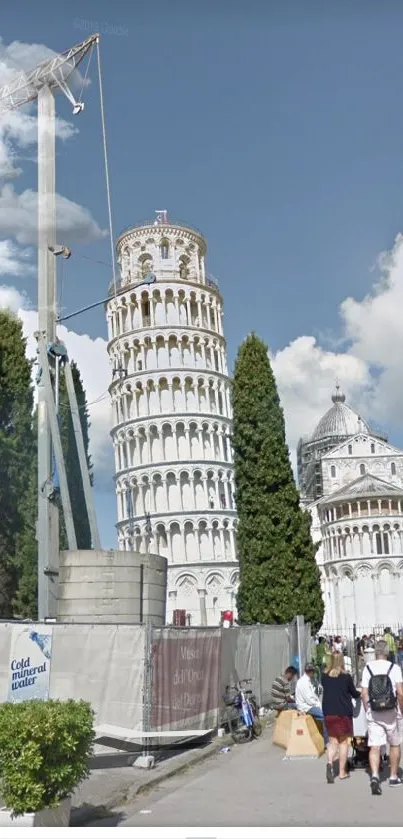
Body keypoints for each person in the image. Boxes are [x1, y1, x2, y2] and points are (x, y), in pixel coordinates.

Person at [361, 639, 403, 795]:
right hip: (392, 711)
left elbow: (364, 693)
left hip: (374, 711)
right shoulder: (395, 668)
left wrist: (368, 709)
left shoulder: (367, 668)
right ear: (387, 652)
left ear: (375, 653)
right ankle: (393, 776)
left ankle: (374, 776)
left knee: (375, 745)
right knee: (394, 744)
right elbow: (400, 693)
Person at [321, 652, 361, 783]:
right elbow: (354, 693)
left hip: (328, 713)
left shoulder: (324, 677)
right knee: (343, 743)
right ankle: (342, 772)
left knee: (332, 742)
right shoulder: (346, 677)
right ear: (342, 661)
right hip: (343, 713)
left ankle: (330, 763)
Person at [295, 663, 328, 745]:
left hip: (309, 705)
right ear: (311, 672)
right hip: (306, 707)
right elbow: (309, 700)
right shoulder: (304, 682)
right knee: (325, 717)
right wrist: (319, 705)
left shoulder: (306, 680)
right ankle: (327, 742)